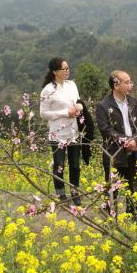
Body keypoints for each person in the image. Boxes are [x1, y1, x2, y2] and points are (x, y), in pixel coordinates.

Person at [96, 70, 137, 215]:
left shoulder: (134, 103)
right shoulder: (103, 106)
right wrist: (125, 140)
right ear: (116, 85)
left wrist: (136, 140)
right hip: (115, 153)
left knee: (133, 186)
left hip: (135, 151)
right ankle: (110, 216)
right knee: (113, 188)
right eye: (127, 82)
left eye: (130, 81)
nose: (130, 85)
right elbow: (105, 129)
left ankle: (133, 216)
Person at [40, 57, 84, 206]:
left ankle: (74, 192)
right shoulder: (48, 90)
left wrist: (79, 108)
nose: (67, 71)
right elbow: (43, 113)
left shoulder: (72, 85)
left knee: (75, 164)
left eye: (68, 68)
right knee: (59, 165)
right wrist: (65, 112)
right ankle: (61, 195)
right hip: (57, 133)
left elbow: (78, 102)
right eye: (64, 69)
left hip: (73, 131)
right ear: (55, 71)